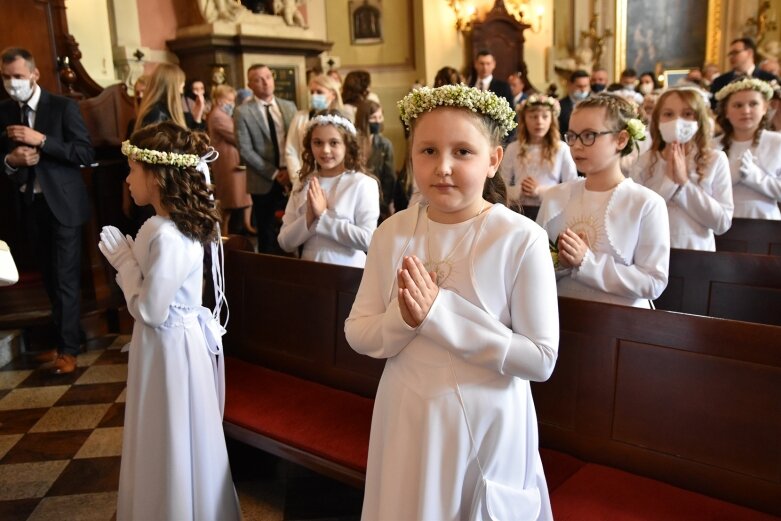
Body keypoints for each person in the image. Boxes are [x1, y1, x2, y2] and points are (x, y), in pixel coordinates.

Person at [345, 84, 559, 520]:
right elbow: (357, 330)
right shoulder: (392, 232)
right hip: (407, 411)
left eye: (462, 151)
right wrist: (403, 321)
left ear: (494, 160)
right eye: (427, 151)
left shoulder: (520, 238)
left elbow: (540, 359)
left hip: (486, 420)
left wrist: (438, 314)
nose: (442, 167)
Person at [100, 121, 240, 520]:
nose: (127, 179)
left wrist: (126, 264)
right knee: (171, 432)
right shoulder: (176, 226)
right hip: (172, 344)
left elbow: (150, 310)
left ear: (157, 175)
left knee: (170, 432)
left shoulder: (166, 232)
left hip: (168, 348)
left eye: (132, 170)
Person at [1, 47, 94, 374]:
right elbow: (3, 159)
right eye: (7, 77)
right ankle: (69, 339)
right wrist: (10, 162)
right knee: (50, 278)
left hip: (64, 204)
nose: (13, 84)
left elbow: (84, 152)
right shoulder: (4, 111)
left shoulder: (62, 107)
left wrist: (41, 140)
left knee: (67, 277)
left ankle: (68, 351)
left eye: (19, 77)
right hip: (29, 205)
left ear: (35, 75)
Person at [538, 92, 670, 308]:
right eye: (572, 136)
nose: (577, 146)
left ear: (621, 139)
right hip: (562, 316)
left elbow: (653, 282)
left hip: (621, 325)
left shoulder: (646, 203)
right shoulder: (555, 196)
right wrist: (560, 263)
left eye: (589, 135)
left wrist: (587, 263)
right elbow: (534, 266)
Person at [630, 88, 733, 250]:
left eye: (687, 114)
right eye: (669, 114)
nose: (677, 121)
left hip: (698, 252)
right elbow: (636, 217)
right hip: (652, 251)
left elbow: (722, 223)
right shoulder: (643, 161)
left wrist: (684, 183)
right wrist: (669, 182)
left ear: (698, 120)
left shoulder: (716, 160)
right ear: (657, 121)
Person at [277, 111, 379, 267]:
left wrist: (323, 217)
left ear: (347, 145)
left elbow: (368, 240)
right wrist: (309, 217)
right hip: (309, 272)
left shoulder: (362, 183)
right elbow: (285, 243)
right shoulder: (303, 183)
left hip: (349, 275)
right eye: (318, 142)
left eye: (334, 143)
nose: (325, 150)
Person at [235, 63, 298, 253]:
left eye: (268, 77)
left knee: (293, 227)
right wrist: (274, 173)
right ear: (250, 85)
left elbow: (297, 141)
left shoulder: (289, 107)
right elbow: (245, 149)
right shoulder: (243, 111)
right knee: (267, 232)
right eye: (258, 79)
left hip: (291, 175)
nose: (265, 82)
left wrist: (290, 170)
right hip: (263, 179)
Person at [713, 77, 781, 220]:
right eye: (738, 105)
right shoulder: (712, 146)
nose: (746, 111)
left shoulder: (777, 142)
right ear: (726, 111)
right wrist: (731, 175)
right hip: (723, 221)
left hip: (767, 221)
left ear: (764, 108)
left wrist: (753, 175)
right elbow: (704, 190)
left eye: (753, 104)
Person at [499, 93, 576, 212]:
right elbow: (501, 186)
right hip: (519, 210)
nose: (539, 122)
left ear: (552, 120)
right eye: (533, 117)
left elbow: (572, 186)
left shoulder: (562, 149)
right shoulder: (513, 148)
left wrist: (539, 191)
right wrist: (520, 190)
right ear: (524, 119)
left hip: (550, 209)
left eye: (545, 116)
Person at [207, 84, 254, 234]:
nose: (232, 104)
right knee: (228, 199)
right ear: (219, 99)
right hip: (226, 160)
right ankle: (224, 232)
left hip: (232, 159)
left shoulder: (223, 114)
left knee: (240, 196)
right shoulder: (217, 116)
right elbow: (235, 136)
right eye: (229, 100)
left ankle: (244, 225)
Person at [285, 73, 344, 188]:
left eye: (319, 92)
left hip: (335, 178)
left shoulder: (343, 119)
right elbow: (291, 150)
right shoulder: (300, 117)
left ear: (332, 94)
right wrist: (298, 177)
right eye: (312, 92)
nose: (314, 96)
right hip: (304, 177)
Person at [134, 63, 205, 133]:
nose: (182, 92)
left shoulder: (167, 111)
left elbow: (192, 140)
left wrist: (197, 117)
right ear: (173, 89)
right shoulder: (157, 114)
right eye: (182, 87)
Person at [709, 38, 777, 108]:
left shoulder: (769, 78)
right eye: (730, 54)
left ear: (750, 53)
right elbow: (713, 106)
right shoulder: (720, 81)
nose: (731, 57)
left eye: (735, 52)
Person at [355, 99, 394, 217]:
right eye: (373, 118)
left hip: (378, 203)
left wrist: (383, 204)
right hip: (355, 199)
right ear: (363, 119)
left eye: (380, 117)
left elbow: (389, 178)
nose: (377, 121)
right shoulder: (352, 142)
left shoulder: (385, 145)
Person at [558, 69, 591, 136]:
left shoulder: (594, 105)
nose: (583, 90)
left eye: (585, 86)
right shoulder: (560, 106)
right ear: (570, 85)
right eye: (579, 86)